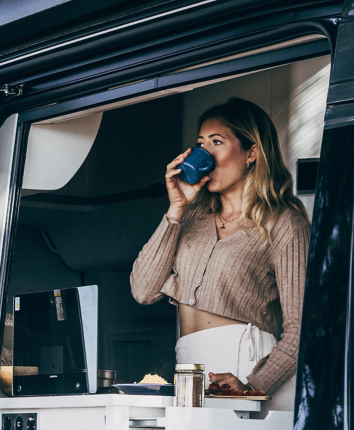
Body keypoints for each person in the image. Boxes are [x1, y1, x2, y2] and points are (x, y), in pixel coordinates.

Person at [130, 97, 310, 412]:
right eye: (201, 144)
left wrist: (254, 387)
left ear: (252, 152)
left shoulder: (283, 223)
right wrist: (175, 209)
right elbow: (143, 291)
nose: (206, 155)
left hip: (249, 366)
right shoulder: (191, 220)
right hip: (191, 367)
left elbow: (302, 328)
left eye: (217, 142)